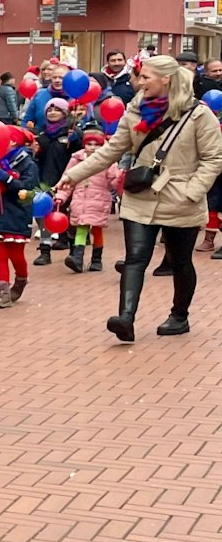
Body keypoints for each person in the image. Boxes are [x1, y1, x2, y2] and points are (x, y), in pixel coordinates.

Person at [57, 54, 222, 342]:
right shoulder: (135, 111)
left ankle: (179, 316)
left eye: (146, 77)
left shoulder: (198, 114)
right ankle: (126, 318)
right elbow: (111, 151)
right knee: (135, 258)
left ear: (166, 79)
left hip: (180, 197)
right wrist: (74, 175)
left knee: (181, 262)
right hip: (141, 195)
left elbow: (213, 159)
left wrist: (193, 191)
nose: (139, 82)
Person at [0, 125, 38, 308]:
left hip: (17, 214)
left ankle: (21, 279)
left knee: (16, 254)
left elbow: (29, 188)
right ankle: (2, 291)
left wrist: (8, 179)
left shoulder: (27, 164)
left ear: (13, 141)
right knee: (0, 253)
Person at [58, 127, 121, 273]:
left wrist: (119, 180)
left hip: (99, 200)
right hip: (80, 200)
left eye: (97, 144)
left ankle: (96, 260)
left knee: (96, 229)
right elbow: (68, 180)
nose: (93, 147)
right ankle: (78, 258)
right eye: (89, 144)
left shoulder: (108, 161)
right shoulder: (76, 159)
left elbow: (113, 181)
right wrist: (61, 196)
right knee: (81, 227)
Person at [31, 101, 83, 265]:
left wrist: (75, 141)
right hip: (45, 180)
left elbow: (81, 154)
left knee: (69, 215)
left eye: (57, 110)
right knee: (44, 215)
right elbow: (37, 157)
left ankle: (74, 251)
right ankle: (45, 251)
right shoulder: (42, 134)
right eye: (49, 110)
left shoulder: (72, 132)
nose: (52, 112)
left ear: (65, 113)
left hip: (68, 180)